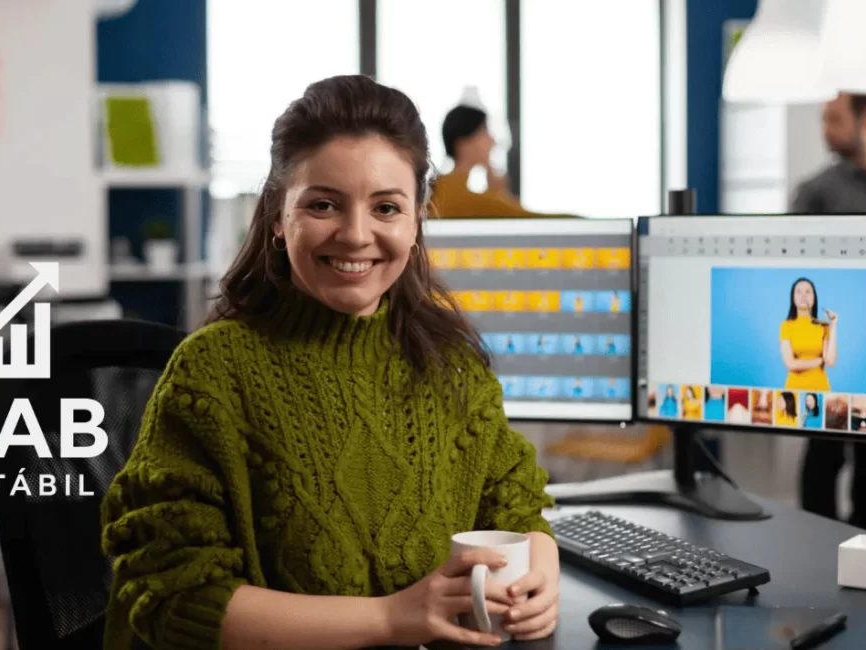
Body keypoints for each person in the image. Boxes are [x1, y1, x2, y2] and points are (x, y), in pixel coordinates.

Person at [100, 75, 560, 650]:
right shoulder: (213, 372)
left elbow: (518, 507)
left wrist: (542, 568)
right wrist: (392, 618)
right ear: (277, 215)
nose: (356, 235)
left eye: (386, 207)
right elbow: (175, 597)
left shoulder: (451, 364)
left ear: (416, 222)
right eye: (323, 205)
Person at [793, 92, 866, 535]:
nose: (826, 130)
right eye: (823, 119)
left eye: (834, 119)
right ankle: (817, 541)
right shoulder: (815, 191)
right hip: (828, 347)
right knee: (823, 453)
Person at [431, 104, 548, 218]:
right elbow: (527, 217)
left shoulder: (440, 187)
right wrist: (499, 194)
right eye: (484, 131)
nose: (492, 140)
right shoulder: (457, 194)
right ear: (464, 143)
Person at [780, 278, 837, 391]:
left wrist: (833, 325)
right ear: (793, 297)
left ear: (814, 297)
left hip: (820, 387)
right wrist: (819, 361)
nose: (803, 295)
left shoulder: (823, 326)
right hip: (794, 388)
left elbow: (830, 361)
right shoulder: (786, 326)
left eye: (808, 292)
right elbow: (790, 364)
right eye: (799, 291)